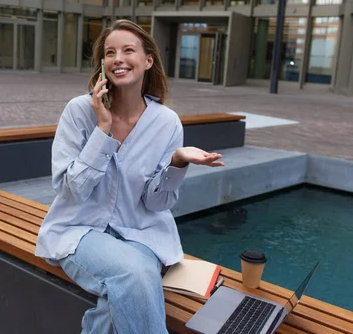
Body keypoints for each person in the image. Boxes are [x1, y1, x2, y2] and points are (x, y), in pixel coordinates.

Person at [35, 19, 224, 333]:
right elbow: (71, 191)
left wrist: (177, 163)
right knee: (134, 273)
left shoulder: (167, 123)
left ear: (148, 60)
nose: (117, 59)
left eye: (127, 50)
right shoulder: (79, 112)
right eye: (110, 53)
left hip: (141, 231)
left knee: (132, 281)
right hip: (80, 229)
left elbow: (156, 203)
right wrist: (103, 129)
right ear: (102, 64)